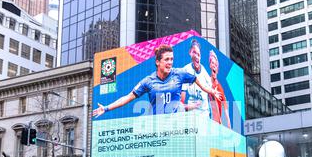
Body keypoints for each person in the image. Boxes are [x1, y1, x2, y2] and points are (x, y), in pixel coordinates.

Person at [93, 44, 222, 118]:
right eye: (166, 59)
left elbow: (198, 81)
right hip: (159, 128)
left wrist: (212, 91)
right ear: (157, 62)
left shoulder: (179, 74)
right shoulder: (148, 81)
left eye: (171, 59)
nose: (170, 62)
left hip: (178, 126)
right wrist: (106, 108)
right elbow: (127, 97)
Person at [181, 39, 212, 119]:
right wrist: (192, 106)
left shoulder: (204, 72)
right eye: (194, 52)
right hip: (192, 117)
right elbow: (181, 104)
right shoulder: (185, 71)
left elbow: (211, 95)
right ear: (190, 53)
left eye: (198, 54)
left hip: (205, 115)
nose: (196, 56)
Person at [208, 50, 231, 128]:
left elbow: (225, 105)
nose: (214, 65)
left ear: (218, 68)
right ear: (210, 65)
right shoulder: (206, 81)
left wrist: (228, 121)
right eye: (212, 63)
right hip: (208, 120)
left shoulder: (220, 88)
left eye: (216, 64)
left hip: (217, 124)